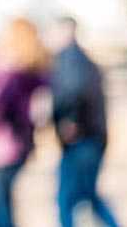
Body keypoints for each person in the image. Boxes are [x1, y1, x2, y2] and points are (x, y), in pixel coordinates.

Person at [0, 18, 50, 227]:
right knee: (1, 200)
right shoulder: (34, 69)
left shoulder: (5, 72)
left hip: (5, 144)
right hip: (21, 142)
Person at [46, 17, 119, 227]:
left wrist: (71, 119)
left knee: (66, 199)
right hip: (92, 137)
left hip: (82, 139)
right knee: (88, 194)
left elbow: (74, 90)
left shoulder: (71, 59)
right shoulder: (81, 60)